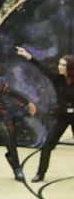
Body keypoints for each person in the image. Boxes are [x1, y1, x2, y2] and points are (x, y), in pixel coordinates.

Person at [16, 47, 74, 182]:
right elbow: (42, 68)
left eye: (63, 65)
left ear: (70, 67)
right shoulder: (58, 79)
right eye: (59, 64)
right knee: (47, 145)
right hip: (62, 117)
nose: (60, 67)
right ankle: (40, 173)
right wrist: (28, 56)